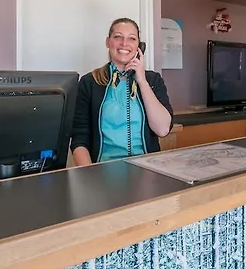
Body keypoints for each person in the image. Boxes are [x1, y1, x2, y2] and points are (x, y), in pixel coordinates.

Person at [70, 18, 173, 165]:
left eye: (132, 38)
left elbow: (162, 130)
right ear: (108, 42)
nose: (124, 43)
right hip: (103, 170)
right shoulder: (89, 82)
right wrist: (89, 174)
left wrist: (142, 81)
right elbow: (79, 138)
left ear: (139, 46)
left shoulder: (153, 80)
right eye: (118, 37)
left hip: (148, 169)